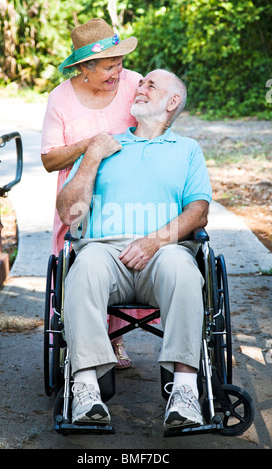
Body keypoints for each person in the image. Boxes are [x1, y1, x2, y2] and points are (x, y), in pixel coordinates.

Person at [56, 69, 212, 430]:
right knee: (86, 264)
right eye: (140, 83)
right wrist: (92, 157)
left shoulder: (187, 149)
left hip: (164, 253)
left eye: (150, 85)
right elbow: (69, 213)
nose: (139, 87)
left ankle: (186, 391)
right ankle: (85, 388)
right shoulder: (106, 143)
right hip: (105, 252)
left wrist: (155, 241)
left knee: (184, 269)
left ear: (173, 102)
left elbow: (199, 211)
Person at [41, 17, 144, 368]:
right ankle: (86, 336)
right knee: (79, 257)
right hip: (80, 197)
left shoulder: (133, 83)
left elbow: (159, 124)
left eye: (120, 63)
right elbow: (49, 159)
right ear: (84, 66)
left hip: (128, 193)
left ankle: (115, 338)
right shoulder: (61, 98)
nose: (118, 72)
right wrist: (89, 146)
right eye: (108, 67)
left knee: (126, 252)